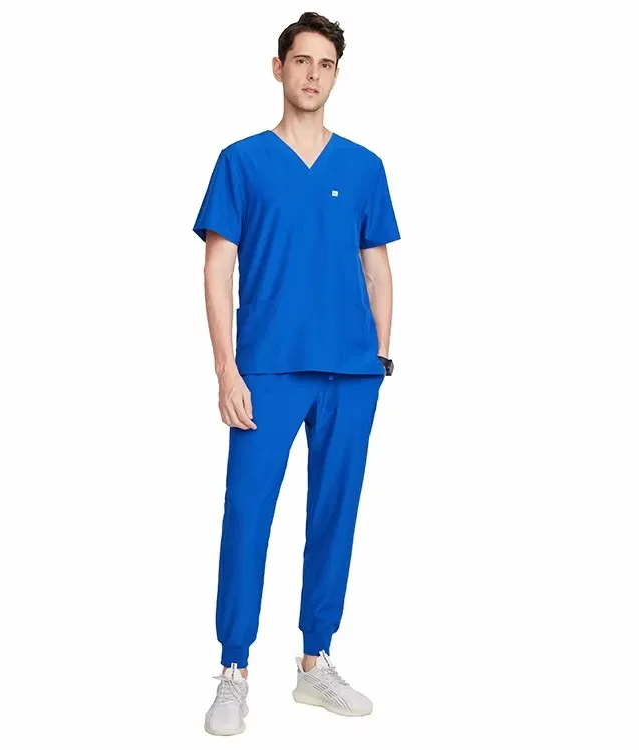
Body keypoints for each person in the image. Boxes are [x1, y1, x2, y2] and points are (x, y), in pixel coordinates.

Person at [192, 11, 400, 736]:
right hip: (267, 370)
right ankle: (233, 670)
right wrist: (226, 368)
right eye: (302, 60)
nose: (313, 74)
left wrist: (380, 356)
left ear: (337, 74)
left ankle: (316, 663)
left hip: (350, 373)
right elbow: (217, 268)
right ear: (278, 67)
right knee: (248, 515)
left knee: (334, 516)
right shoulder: (242, 161)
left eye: (326, 64)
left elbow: (378, 266)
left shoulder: (364, 167)